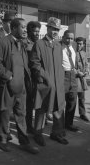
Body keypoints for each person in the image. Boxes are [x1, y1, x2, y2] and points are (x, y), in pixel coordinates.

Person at [0, 18, 39, 154]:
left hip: (21, 86)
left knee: (21, 114)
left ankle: (24, 142)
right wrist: (7, 75)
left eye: (25, 27)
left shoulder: (22, 43)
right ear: (14, 28)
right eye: (22, 27)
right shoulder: (3, 42)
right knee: (5, 114)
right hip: (7, 86)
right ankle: (2, 139)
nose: (25, 30)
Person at [30, 17, 67, 146]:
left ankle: (56, 133)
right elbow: (35, 63)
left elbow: (62, 64)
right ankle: (38, 134)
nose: (55, 31)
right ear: (48, 28)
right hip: (45, 83)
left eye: (57, 29)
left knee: (58, 109)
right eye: (53, 28)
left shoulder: (59, 45)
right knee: (41, 109)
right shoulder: (39, 44)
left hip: (58, 83)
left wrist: (61, 80)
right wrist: (45, 77)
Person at [23, 21, 41, 133]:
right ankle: (28, 126)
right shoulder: (24, 43)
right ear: (29, 31)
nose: (36, 33)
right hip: (27, 77)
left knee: (36, 101)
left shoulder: (39, 43)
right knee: (28, 104)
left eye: (38, 31)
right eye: (34, 31)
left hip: (36, 77)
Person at [61, 30, 79, 132]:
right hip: (63, 76)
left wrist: (77, 71)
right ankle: (60, 125)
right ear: (63, 37)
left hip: (73, 76)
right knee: (61, 102)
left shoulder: (73, 47)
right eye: (67, 38)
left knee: (72, 102)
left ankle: (69, 123)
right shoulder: (59, 47)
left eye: (72, 38)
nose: (69, 40)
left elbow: (73, 62)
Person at [75, 37, 89, 122]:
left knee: (82, 97)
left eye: (81, 44)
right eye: (78, 43)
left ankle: (82, 113)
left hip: (82, 78)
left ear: (83, 45)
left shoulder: (84, 53)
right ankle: (68, 115)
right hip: (74, 77)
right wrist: (77, 72)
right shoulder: (72, 52)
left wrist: (87, 71)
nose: (79, 45)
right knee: (71, 99)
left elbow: (86, 64)